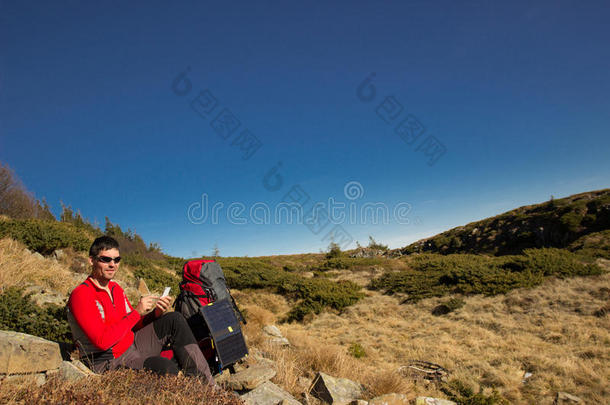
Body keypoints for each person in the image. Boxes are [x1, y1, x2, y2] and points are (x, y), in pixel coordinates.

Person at [67, 235, 214, 384]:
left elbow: (134, 325)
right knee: (164, 367)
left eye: (116, 260)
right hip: (108, 361)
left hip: (133, 345)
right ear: (91, 260)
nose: (112, 264)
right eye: (106, 259)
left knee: (174, 319)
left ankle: (207, 385)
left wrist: (155, 314)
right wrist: (136, 312)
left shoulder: (115, 288)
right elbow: (102, 341)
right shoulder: (82, 295)